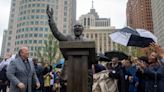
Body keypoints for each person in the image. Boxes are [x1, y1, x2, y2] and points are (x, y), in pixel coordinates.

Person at [47, 5, 94, 92]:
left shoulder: (87, 41)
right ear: (73, 29)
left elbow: (92, 58)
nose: (77, 28)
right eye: (75, 26)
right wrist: (51, 20)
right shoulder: (69, 38)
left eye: (79, 26)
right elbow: (57, 34)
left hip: (83, 75)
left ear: (82, 29)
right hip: (69, 74)